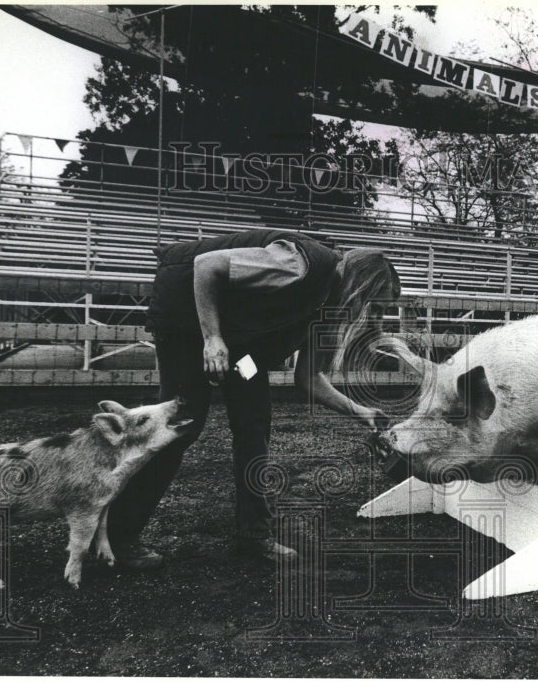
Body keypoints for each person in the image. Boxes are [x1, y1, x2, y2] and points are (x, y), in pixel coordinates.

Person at [105, 228, 400, 566]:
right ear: (360, 287)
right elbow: (206, 265)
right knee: (182, 424)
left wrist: (361, 412)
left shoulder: (333, 314)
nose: (378, 319)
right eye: (376, 307)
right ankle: (119, 535)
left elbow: (309, 379)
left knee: (254, 421)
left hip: (242, 355)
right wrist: (213, 338)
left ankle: (253, 535)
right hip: (188, 323)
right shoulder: (301, 264)